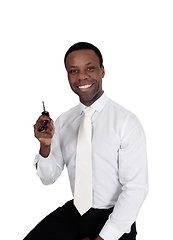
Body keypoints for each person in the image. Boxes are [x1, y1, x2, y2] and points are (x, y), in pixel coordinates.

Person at [24, 42, 148, 240]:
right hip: (76, 212)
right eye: (74, 71)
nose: (81, 76)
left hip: (115, 215)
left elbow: (135, 189)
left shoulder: (126, 122)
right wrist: (45, 146)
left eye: (89, 68)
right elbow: (48, 178)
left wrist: (103, 238)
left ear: (103, 71)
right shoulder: (64, 121)